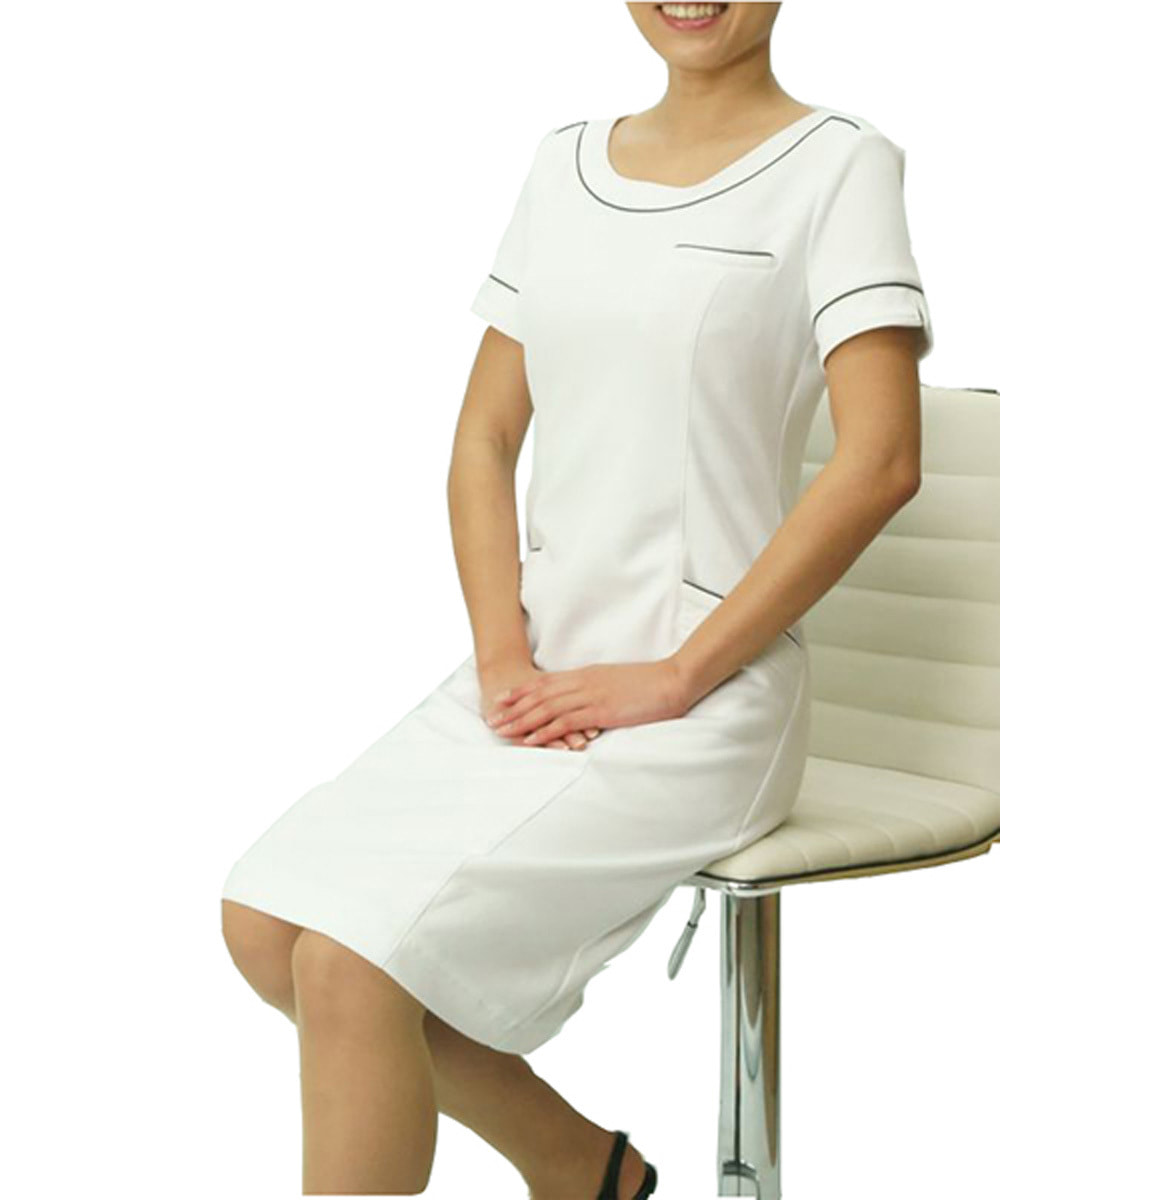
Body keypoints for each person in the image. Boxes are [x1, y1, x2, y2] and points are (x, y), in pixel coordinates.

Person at [219, 2, 933, 1195]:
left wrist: (677, 675)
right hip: (537, 669)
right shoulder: (564, 166)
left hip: (705, 696)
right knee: (266, 923)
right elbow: (484, 440)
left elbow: (882, 460)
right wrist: (502, 652)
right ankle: (584, 1172)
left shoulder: (839, 166)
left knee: (351, 962)